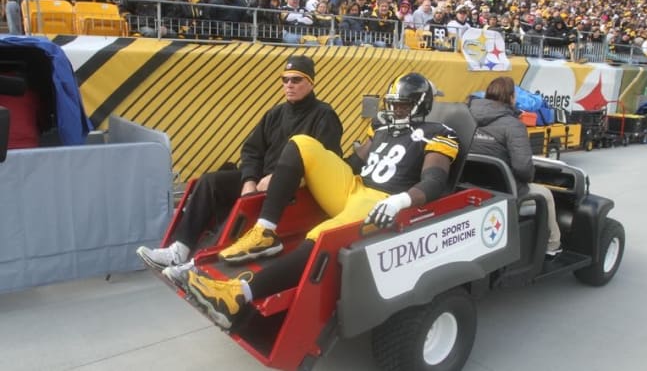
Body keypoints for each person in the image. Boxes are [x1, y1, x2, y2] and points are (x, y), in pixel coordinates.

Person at [178, 73, 459, 329]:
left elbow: (434, 181)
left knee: (321, 235)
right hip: (353, 186)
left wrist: (399, 202)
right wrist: (302, 173)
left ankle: (235, 296)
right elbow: (351, 163)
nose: (396, 110)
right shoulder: (381, 129)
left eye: (403, 105)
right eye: (394, 104)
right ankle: (265, 231)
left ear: (420, 105)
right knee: (302, 142)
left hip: (381, 200)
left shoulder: (437, 133)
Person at [136, 55, 343, 272]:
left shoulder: (325, 116)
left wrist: (280, 179)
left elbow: (327, 162)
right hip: (260, 179)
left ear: (310, 82)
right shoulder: (275, 114)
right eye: (285, 79)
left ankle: (199, 264)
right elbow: (252, 150)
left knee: (244, 207)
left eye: (296, 80)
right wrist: (249, 180)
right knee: (209, 182)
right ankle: (179, 248)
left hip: (290, 190)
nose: (289, 85)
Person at [468, 76, 562, 256]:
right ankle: (552, 245)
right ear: (511, 98)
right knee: (546, 195)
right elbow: (523, 170)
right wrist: (529, 177)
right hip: (505, 191)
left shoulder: (466, 116)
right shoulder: (514, 125)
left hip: (471, 185)